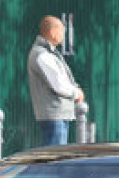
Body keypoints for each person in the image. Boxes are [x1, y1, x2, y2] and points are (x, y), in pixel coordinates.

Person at [26, 15, 84, 146]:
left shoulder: (48, 52)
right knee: (55, 159)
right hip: (54, 116)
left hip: (58, 115)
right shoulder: (41, 54)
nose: (63, 35)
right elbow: (58, 84)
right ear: (52, 32)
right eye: (61, 31)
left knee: (57, 157)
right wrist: (77, 93)